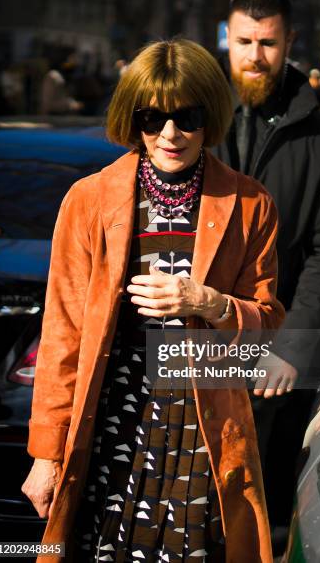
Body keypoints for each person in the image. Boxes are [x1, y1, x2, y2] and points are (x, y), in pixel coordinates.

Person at [22, 38, 285, 563]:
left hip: (203, 435)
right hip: (112, 429)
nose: (169, 134)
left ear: (209, 115)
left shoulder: (252, 203)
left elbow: (269, 328)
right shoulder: (89, 201)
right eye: (151, 117)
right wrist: (46, 455)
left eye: (186, 117)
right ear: (132, 118)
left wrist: (210, 302)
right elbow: (63, 335)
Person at [213, 0, 320, 530]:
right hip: (198, 335)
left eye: (267, 42)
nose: (254, 55)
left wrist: (293, 347)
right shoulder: (192, 116)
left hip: (277, 345)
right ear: (227, 37)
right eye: (244, 40)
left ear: (289, 41)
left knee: (260, 502)